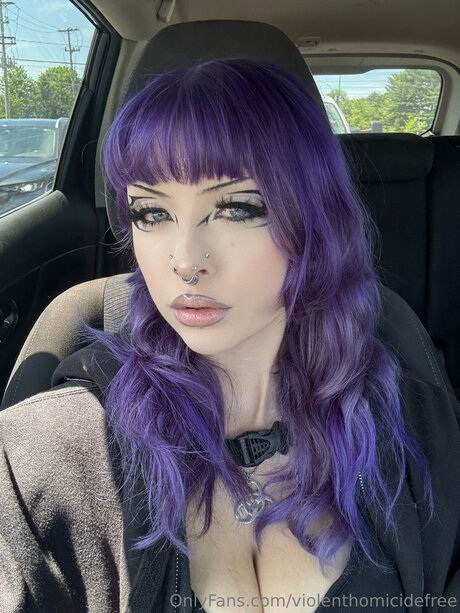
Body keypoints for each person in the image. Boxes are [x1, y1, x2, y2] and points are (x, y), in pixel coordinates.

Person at [0, 57, 459, 613]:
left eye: (236, 208)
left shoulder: (417, 427)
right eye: (150, 213)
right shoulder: (58, 449)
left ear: (314, 218)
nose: (185, 261)